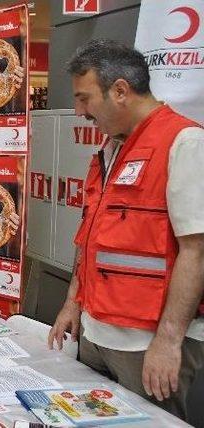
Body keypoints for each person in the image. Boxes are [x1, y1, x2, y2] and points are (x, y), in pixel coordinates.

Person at [47, 40, 204, 422]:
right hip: (96, 330)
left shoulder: (184, 142)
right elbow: (91, 234)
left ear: (120, 90)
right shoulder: (110, 148)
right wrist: (73, 302)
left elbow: (196, 251)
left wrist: (168, 341)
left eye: (85, 99)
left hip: (146, 343)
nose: (80, 111)